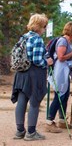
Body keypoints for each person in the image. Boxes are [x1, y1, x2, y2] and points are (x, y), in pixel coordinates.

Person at [11, 13, 53, 141]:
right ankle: (31, 132)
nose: (45, 29)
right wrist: (48, 62)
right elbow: (36, 60)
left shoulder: (23, 37)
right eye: (44, 26)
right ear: (40, 26)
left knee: (22, 101)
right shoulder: (37, 39)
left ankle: (20, 131)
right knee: (34, 102)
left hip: (21, 73)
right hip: (34, 74)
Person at [46, 21, 72, 133]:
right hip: (60, 71)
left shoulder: (69, 42)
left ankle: (62, 120)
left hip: (65, 71)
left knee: (65, 95)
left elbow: (68, 57)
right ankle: (49, 121)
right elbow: (61, 57)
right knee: (59, 95)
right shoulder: (63, 41)